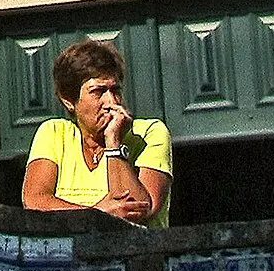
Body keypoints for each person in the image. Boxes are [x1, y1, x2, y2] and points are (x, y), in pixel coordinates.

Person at [22, 36, 172, 225]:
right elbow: (35, 202)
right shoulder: (53, 133)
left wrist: (114, 145)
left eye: (115, 90)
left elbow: (139, 209)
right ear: (69, 100)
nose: (112, 102)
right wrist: (97, 214)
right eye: (98, 92)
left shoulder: (150, 133)